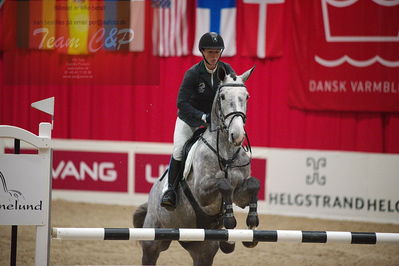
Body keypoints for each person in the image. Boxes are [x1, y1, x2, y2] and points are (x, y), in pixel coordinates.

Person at [161, 32, 236, 210]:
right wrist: (202, 116)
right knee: (179, 150)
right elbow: (181, 103)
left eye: (217, 52)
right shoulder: (193, 74)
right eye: (210, 52)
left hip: (214, 124)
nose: (214, 56)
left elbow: (233, 92)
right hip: (190, 121)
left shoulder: (227, 70)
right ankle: (170, 190)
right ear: (202, 52)